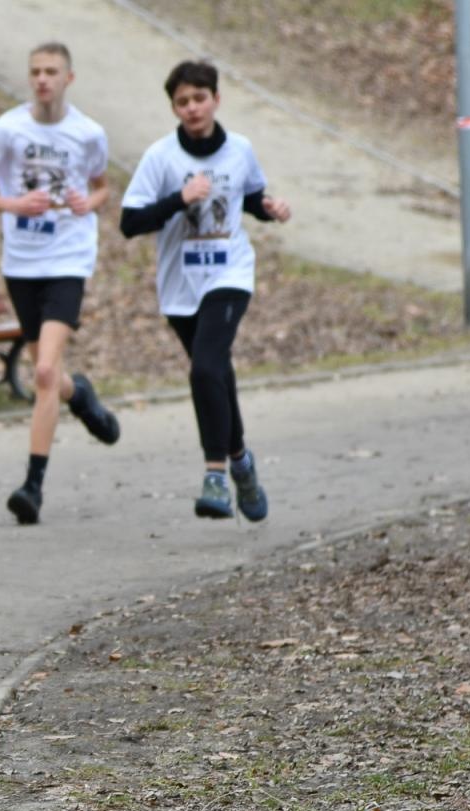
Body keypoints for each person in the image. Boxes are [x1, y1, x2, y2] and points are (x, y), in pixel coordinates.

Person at [0, 40, 121, 526]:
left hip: (69, 259)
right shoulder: (6, 129)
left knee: (44, 371)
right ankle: (82, 396)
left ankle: (32, 485)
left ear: (68, 77)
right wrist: (14, 205)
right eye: (35, 71)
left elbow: (102, 188)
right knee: (50, 375)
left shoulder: (88, 132)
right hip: (22, 263)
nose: (42, 79)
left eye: (52, 71)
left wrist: (85, 205)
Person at [120, 59, 289, 521]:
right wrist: (180, 198)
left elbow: (250, 195)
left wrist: (268, 207)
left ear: (216, 99)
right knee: (216, 375)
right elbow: (129, 223)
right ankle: (242, 463)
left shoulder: (240, 149)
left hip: (230, 275)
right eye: (182, 102)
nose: (192, 108)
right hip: (179, 285)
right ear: (173, 107)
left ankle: (215, 474)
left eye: (200, 98)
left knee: (205, 369)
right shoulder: (161, 158)